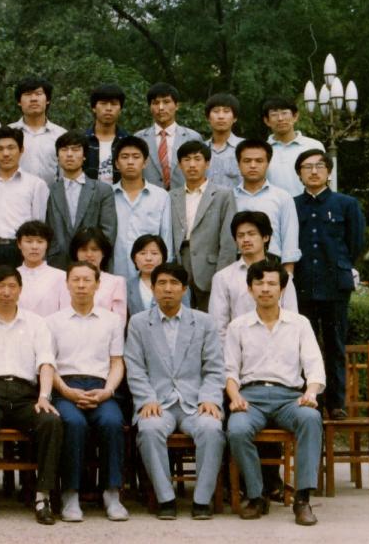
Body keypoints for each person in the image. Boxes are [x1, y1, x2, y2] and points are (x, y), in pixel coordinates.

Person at [225, 260, 325, 526]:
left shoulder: (299, 323)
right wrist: (235, 397)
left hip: (289, 397)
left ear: (282, 289)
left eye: (272, 283)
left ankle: (302, 499)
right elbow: (230, 371)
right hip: (251, 397)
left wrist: (310, 394)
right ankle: (256, 495)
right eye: (259, 283)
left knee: (310, 419)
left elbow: (314, 366)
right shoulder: (238, 326)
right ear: (250, 289)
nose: (265, 289)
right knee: (237, 429)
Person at [125, 263, 225, 520]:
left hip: (195, 402)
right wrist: (147, 399)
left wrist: (209, 398)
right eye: (161, 283)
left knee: (212, 428)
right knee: (149, 429)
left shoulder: (204, 322)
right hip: (158, 402)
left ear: (184, 289)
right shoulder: (139, 323)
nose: (167, 289)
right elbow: (135, 367)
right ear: (152, 288)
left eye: (173, 283)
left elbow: (214, 368)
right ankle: (165, 498)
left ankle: (202, 500)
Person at [0, 265, 63, 525]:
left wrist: (44, 396)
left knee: (51, 422)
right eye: (0, 286)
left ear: (20, 290)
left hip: (26, 395)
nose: (6, 292)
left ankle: (42, 496)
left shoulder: (36, 323)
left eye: (12, 286)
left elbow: (45, 362)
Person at [47, 261, 128, 523]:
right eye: (76, 280)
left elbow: (117, 362)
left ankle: (112, 493)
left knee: (112, 421)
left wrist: (108, 391)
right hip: (65, 387)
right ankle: (71, 494)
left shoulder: (112, 321)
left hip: (101, 387)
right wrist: (66, 391)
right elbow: (48, 365)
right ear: (67, 284)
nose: (81, 285)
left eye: (87, 280)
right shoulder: (53, 321)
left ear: (97, 284)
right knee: (73, 423)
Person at [294, 149, 366, 419]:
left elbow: (355, 242)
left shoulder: (346, 204)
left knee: (335, 344)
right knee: (305, 345)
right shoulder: (292, 205)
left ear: (329, 172)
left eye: (319, 166)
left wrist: (341, 266)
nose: (313, 172)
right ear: (299, 174)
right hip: (303, 284)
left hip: (335, 284)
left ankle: (336, 403)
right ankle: (311, 398)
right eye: (307, 167)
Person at [208, 211, 299, 342]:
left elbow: (292, 319)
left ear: (265, 237)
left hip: (278, 346)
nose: (245, 240)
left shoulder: (282, 275)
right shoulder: (223, 277)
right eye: (240, 235)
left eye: (251, 234)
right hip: (239, 347)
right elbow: (218, 326)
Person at [170, 140, 237, 309]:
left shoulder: (223, 195)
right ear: (180, 165)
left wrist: (223, 275)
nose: (192, 165)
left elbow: (228, 240)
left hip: (210, 266)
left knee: (212, 316)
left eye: (197, 159)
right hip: (180, 265)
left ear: (207, 163)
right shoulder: (171, 196)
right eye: (186, 160)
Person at [0, 126, 50, 267]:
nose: (5, 154)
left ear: (21, 150)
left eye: (11, 148)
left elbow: (39, 224)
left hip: (22, 251)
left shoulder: (36, 185)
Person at [47, 130, 117, 268]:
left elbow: (108, 232)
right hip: (58, 264)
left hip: (92, 264)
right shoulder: (50, 190)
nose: (69, 154)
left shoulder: (102, 190)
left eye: (75, 149)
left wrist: (95, 255)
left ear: (84, 156)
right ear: (57, 156)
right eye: (64, 149)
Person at [233, 139, 300, 272]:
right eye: (247, 161)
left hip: (272, 267)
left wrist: (288, 275)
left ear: (268, 164)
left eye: (259, 161)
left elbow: (290, 240)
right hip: (236, 265)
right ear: (238, 164)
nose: (253, 165)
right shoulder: (229, 197)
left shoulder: (282, 197)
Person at [112, 136, 173, 278]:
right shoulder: (107, 195)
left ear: (145, 163)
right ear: (117, 164)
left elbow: (166, 239)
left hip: (150, 275)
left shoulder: (160, 196)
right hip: (115, 272)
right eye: (124, 157)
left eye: (136, 157)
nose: (130, 162)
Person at [132, 82, 203, 191]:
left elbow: (201, 172)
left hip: (184, 196)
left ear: (177, 105)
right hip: (149, 196)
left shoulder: (192, 137)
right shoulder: (139, 138)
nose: (161, 107)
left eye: (166, 102)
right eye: (155, 103)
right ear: (150, 107)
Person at [262, 97, 325, 197]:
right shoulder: (262, 150)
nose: (280, 118)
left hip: (309, 204)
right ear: (267, 121)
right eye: (274, 114)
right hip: (273, 204)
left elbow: (325, 179)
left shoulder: (314, 146)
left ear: (295, 116)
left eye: (284, 113)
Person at [8, 77, 66, 186]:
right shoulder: (7, 134)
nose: (33, 99)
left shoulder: (61, 135)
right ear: (19, 102)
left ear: (47, 100)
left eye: (39, 94)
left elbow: (66, 174)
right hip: (14, 194)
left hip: (51, 195)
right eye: (28, 94)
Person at [69, 228, 127, 320]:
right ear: (76, 253)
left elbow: (119, 320)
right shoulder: (64, 280)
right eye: (83, 250)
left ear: (103, 253)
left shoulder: (116, 282)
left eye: (94, 249)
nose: (89, 254)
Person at [16, 220, 70, 317]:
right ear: (19, 244)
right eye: (29, 241)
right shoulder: (11, 276)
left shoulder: (61, 277)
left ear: (47, 245)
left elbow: (65, 313)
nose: (34, 247)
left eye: (40, 241)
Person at [83, 83, 129, 184]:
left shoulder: (128, 141)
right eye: (103, 103)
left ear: (120, 109)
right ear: (94, 107)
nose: (108, 108)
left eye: (114, 104)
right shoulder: (81, 141)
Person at [126, 234, 174, 317]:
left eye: (154, 253)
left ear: (163, 257)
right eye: (142, 253)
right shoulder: (127, 286)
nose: (148, 258)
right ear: (134, 258)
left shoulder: (176, 284)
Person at [204, 93, 243, 189]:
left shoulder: (245, 148)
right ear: (208, 118)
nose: (221, 116)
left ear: (235, 118)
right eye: (216, 111)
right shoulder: (200, 149)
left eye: (226, 111)